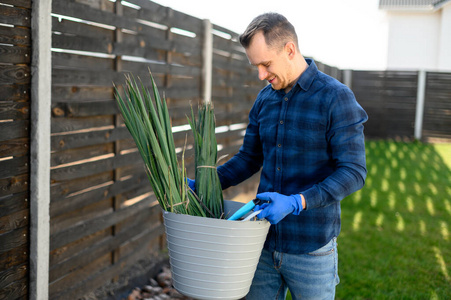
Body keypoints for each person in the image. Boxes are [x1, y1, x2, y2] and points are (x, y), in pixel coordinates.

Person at [190, 12, 367, 300]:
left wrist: (297, 202)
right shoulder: (264, 99)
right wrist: (207, 182)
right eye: (256, 66)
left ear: (289, 50)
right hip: (261, 241)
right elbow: (249, 158)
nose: (261, 74)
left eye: (266, 64)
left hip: (312, 248)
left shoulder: (336, 97)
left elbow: (353, 172)